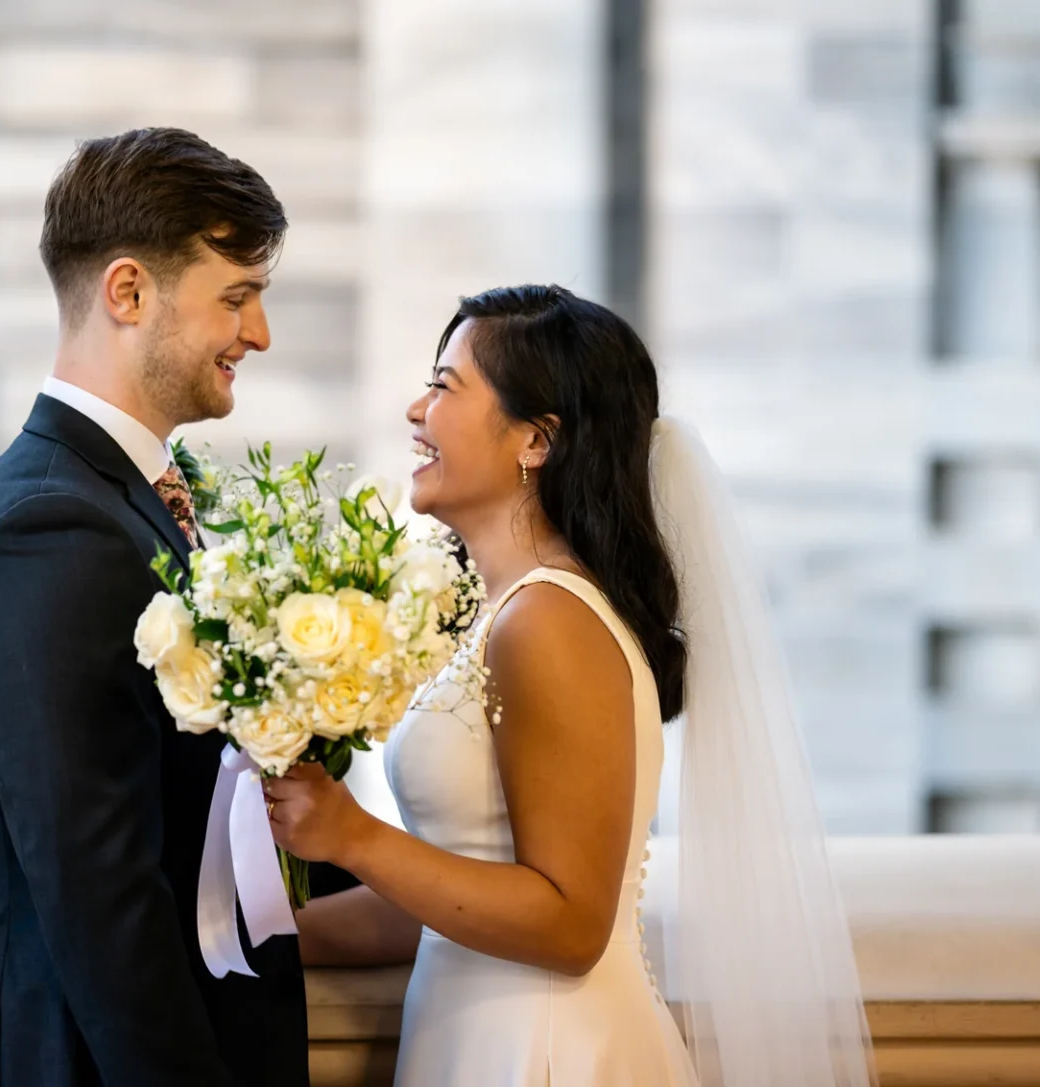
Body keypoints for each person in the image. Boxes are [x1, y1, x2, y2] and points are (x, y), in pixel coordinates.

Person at [265, 285, 879, 1086]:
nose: (417, 408)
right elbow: (440, 904)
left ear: (535, 439)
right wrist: (259, 931)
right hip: (476, 1039)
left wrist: (351, 836)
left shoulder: (550, 618)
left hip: (548, 1049)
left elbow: (570, 920)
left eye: (446, 386)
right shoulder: (500, 613)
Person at [0, 128, 309, 1086]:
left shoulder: (118, 496)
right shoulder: (50, 526)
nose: (258, 334)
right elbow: (98, 893)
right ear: (128, 293)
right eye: (236, 297)